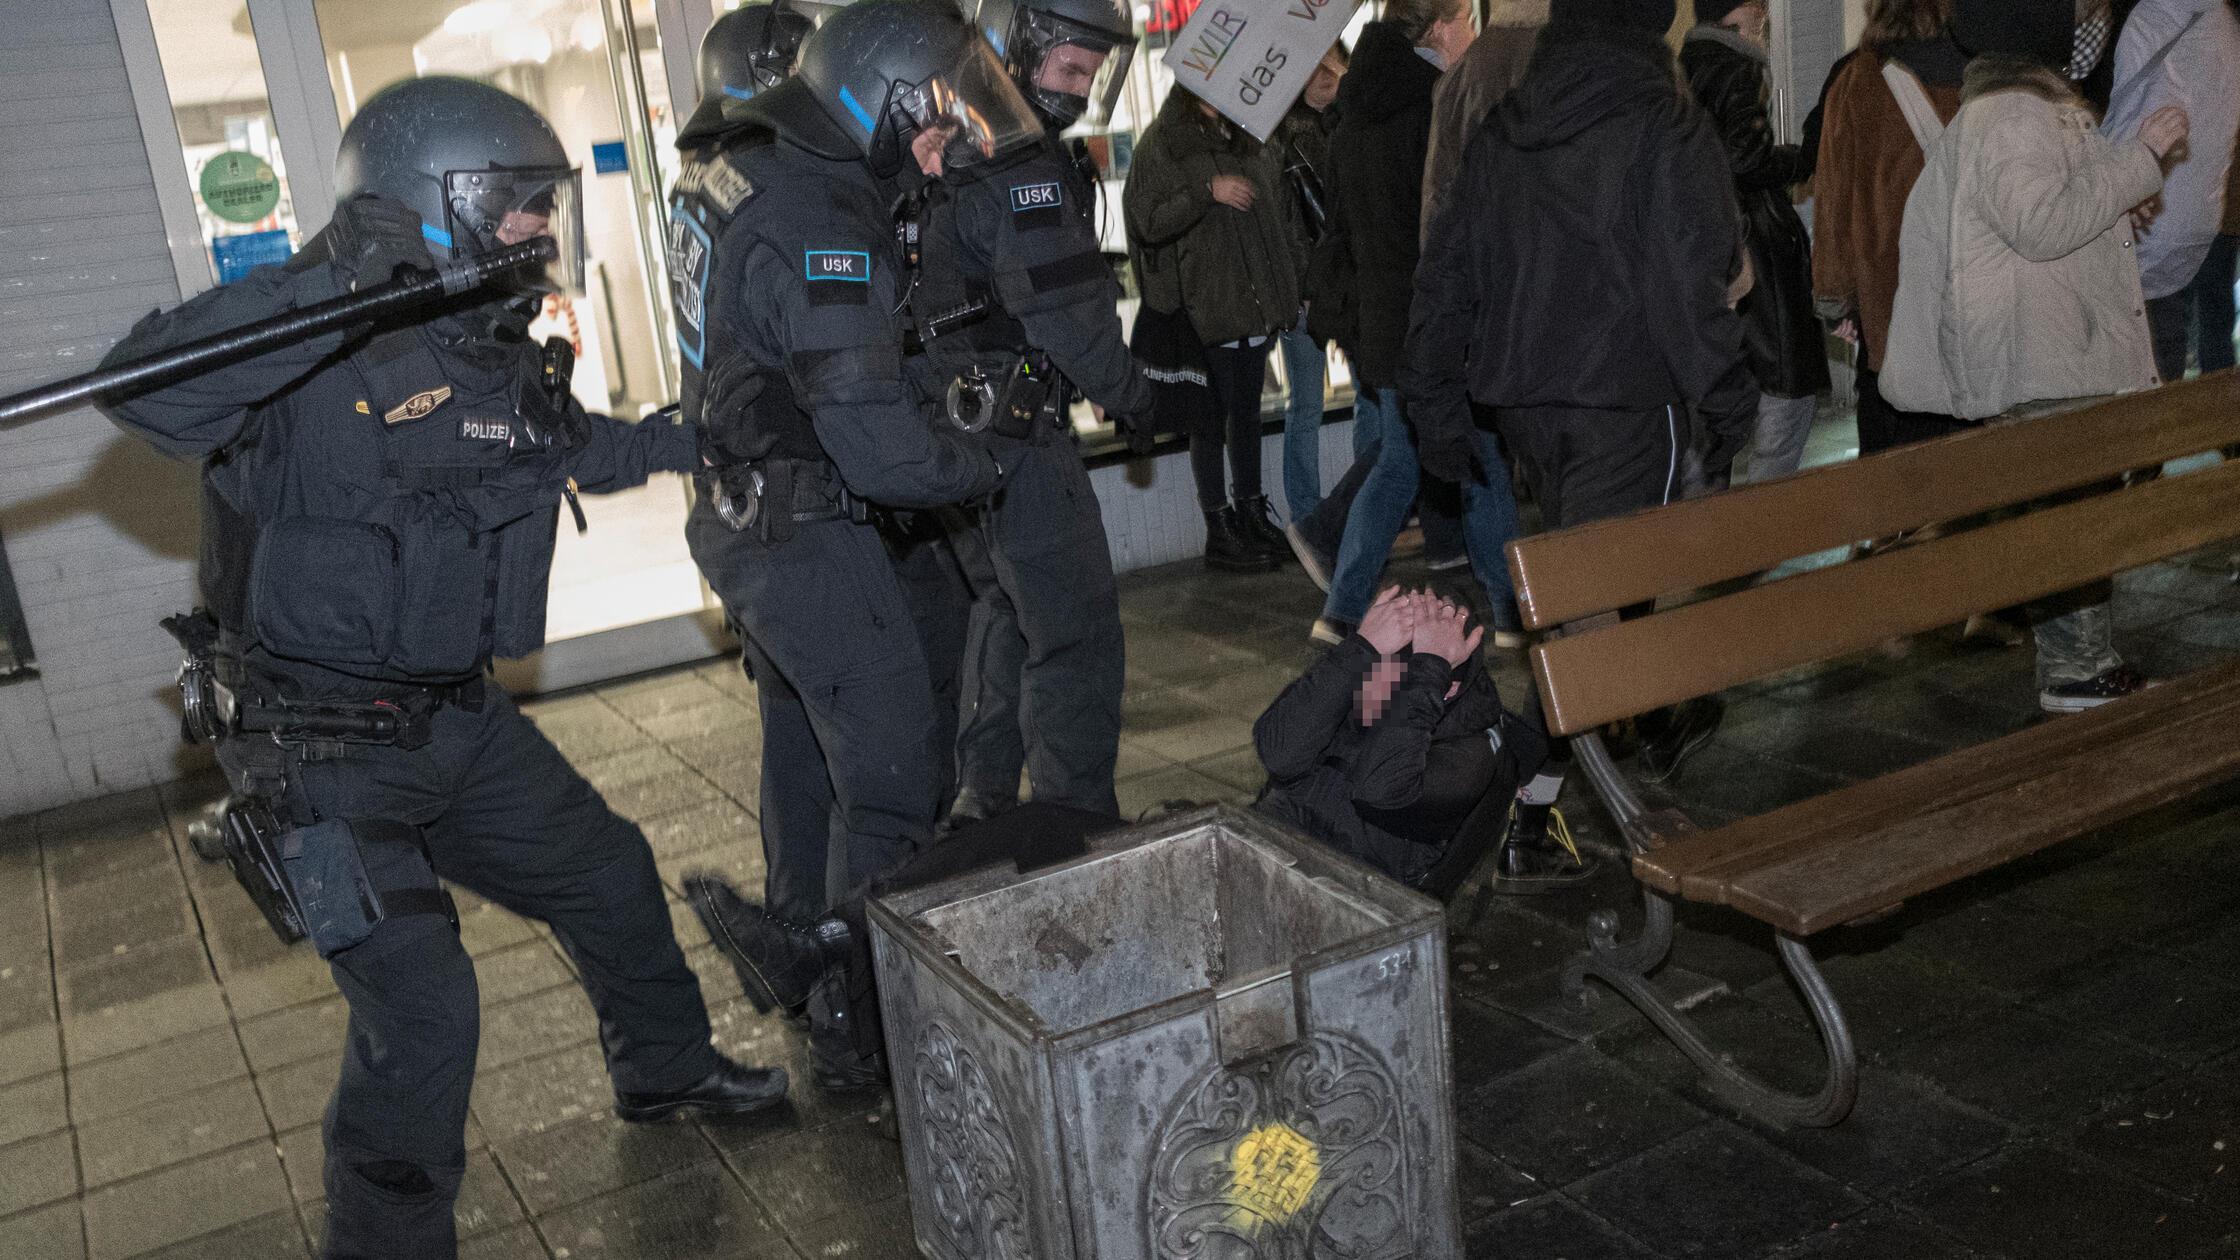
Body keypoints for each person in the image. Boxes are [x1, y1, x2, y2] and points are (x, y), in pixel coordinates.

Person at [98, 77, 787, 1256]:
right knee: (424, 1013)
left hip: (453, 728)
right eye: (519, 205)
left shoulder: (489, 352)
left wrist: (704, 433)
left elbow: (579, 447)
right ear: (431, 205)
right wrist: (334, 276)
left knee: (609, 875)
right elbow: (139, 388)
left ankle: (662, 1070)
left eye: (545, 204)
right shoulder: (305, 357)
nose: (543, 228)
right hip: (314, 768)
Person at [671, 0, 1040, 1082]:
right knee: (889, 766)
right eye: (930, 128)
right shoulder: (821, 218)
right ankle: (858, 1020)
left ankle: (795, 929)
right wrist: (983, 461)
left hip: (744, 509)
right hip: (801, 525)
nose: (942, 152)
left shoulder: (741, 167)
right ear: (871, 104)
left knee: (799, 733)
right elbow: (879, 453)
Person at [1406, 0, 1758, 882]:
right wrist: (1727, 397)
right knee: (1590, 618)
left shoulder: (1506, 124)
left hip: (1529, 406)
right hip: (1629, 403)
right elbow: (1695, 278)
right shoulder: (1661, 119)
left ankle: (1600, 759)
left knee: (1585, 601)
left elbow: (1447, 270)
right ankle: (1524, 816)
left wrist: (1437, 398)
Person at [1881, 0, 2187, 712]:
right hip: (2041, 352)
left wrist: (2120, 193)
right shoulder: (2016, 114)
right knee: (2072, 517)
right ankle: (2077, 670)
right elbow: (2041, 224)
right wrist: (2140, 161)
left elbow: (2057, 202)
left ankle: (2081, 664)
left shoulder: (2013, 107)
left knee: (2072, 511)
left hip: (2048, 345)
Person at [914, 0, 1155, 825]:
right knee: (1076, 633)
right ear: (1024, 47)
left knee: (1005, 608)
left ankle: (981, 796)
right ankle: (1075, 823)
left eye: (1093, 74)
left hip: (952, 432)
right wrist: (1140, 395)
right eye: (1070, 70)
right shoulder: (1019, 161)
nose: (1082, 92)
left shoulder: (950, 139)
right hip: (1015, 436)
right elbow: (1069, 314)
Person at [1311, 0, 1527, 649]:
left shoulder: (1351, 119)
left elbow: (1343, 234)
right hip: (1440, 322)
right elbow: (1459, 223)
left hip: (1384, 325)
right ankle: (1515, 612)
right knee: (1481, 459)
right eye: (1464, 17)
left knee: (1400, 466)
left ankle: (1341, 611)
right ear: (1437, 27)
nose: (1472, 31)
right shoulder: (1440, 105)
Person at [1253, 587, 1552, 895]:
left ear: (1449, 683)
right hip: (1266, 849)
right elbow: (1277, 753)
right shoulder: (1363, 674)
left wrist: (1428, 668)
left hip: (1351, 891)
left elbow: (1379, 791)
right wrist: (1360, 648)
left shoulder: (1472, 750)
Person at [1124, 90, 1300, 572]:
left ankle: (1247, 511)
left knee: (1244, 415)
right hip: (1206, 308)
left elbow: (1275, 220)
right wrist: (1207, 191)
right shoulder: (1163, 143)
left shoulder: (1246, 134)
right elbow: (1146, 221)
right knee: (1209, 420)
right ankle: (1219, 526)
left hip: (1252, 306)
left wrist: (1285, 291)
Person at [1812, 0, 1969, 454]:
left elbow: (1833, 205)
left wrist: (1836, 301)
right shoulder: (1987, 78)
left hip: (1891, 312)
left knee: (1891, 469)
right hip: (1976, 309)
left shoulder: (1856, 84)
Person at [1683, 0, 1831, 483]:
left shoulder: (1682, 67)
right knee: (1785, 410)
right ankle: (1755, 540)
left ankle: (1707, 547)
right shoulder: (1734, 65)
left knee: (1710, 435)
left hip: (1708, 249)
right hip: (1756, 252)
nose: (1765, 12)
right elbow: (1745, 158)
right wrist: (1797, 160)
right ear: (1735, 12)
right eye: (1757, 7)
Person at [2101, 0, 2240, 384]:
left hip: (2139, 221)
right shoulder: (2223, 23)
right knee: (2169, 364)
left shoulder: (2158, 14)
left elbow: (2129, 115)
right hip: (2193, 222)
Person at [1273, 47, 1346, 524]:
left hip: (1333, 282)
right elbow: (1289, 224)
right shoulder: (1292, 137)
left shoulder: (1339, 128)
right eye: (1315, 65)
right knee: (1307, 404)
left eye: (1334, 64)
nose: (1327, 74)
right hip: (1310, 287)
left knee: (1316, 403)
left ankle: (1314, 511)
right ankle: (1307, 512)